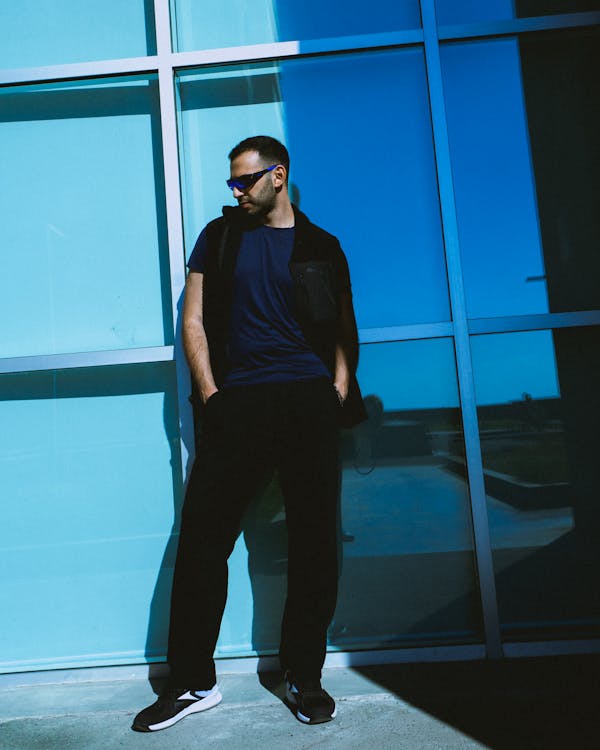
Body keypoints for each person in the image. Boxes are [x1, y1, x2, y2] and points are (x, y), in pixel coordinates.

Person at [133, 135, 365, 732]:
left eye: (244, 180)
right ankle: (190, 684)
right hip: (237, 404)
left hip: (306, 402)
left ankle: (303, 676)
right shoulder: (220, 237)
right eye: (231, 182)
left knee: (314, 543)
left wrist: (335, 387)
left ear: (278, 176)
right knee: (204, 541)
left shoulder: (322, 245)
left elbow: (344, 326)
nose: (234, 190)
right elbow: (194, 318)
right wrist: (211, 393)